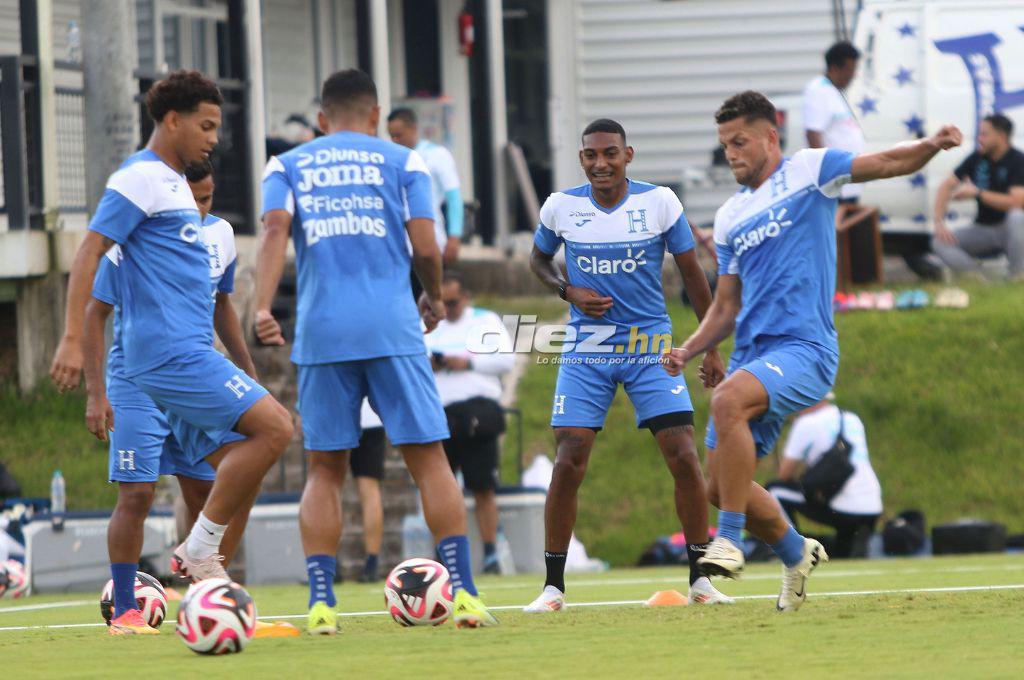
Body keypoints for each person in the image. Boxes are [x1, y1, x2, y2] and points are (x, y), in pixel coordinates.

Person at [663, 90, 961, 611]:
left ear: (770, 137)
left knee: (728, 401)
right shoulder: (730, 216)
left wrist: (931, 145)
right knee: (718, 485)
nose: (730, 153)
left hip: (806, 348)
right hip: (753, 356)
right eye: (725, 144)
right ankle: (795, 552)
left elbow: (887, 162)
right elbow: (726, 306)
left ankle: (728, 541)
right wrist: (689, 350)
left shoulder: (810, 170)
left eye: (740, 142)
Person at [256, 68, 496, 634]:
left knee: (324, 470)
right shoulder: (405, 161)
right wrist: (431, 295)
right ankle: (464, 594)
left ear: (321, 118)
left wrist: (262, 306)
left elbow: (273, 231)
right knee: (429, 460)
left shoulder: (285, 164)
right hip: (392, 330)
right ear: (375, 115)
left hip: (323, 332)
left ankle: (321, 604)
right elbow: (426, 245)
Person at [50, 69, 294, 597]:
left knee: (245, 458)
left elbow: (216, 301)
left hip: (186, 353)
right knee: (275, 429)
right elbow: (91, 250)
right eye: (206, 126)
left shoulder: (176, 187)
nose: (214, 139)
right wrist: (72, 339)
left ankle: (208, 575)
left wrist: (243, 366)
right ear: (173, 120)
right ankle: (198, 553)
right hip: (168, 356)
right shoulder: (140, 177)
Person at [524, 118, 731, 614]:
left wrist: (709, 347)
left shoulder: (660, 202)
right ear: (582, 159)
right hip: (588, 348)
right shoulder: (560, 206)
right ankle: (553, 588)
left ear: (628, 155)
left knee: (684, 455)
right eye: (591, 155)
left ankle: (701, 580)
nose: (601, 163)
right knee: (569, 459)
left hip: (649, 346)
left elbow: (693, 275)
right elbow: (537, 261)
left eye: (610, 153)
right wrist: (567, 290)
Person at [83, 161, 269, 634]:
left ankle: (206, 599)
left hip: (192, 378)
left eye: (206, 199)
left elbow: (222, 305)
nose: (198, 208)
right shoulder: (135, 239)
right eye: (190, 199)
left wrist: (247, 371)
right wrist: (96, 393)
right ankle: (125, 611)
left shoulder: (221, 235)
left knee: (211, 490)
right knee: (137, 494)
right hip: (136, 379)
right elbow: (95, 312)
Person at [426, 272, 515, 575]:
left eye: (452, 302)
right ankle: (441, 556)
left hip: (478, 412)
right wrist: (432, 363)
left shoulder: (485, 320)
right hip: (440, 413)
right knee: (439, 489)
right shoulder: (428, 325)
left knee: (483, 487)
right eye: (442, 302)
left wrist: (468, 362)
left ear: (465, 298)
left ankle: (490, 553)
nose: (447, 309)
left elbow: (506, 359)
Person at [766, 395, 882, 558]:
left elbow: (784, 475)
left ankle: (793, 551)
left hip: (841, 509)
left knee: (774, 491)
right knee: (845, 555)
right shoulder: (851, 418)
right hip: (872, 507)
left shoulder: (805, 423)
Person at [932, 113, 1024, 278]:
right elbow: (946, 186)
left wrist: (977, 193)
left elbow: (1016, 203)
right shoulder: (977, 158)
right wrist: (939, 221)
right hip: (983, 228)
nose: (979, 139)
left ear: (1001, 136)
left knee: (1017, 217)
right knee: (939, 241)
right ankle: (978, 278)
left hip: (1010, 230)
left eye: (984, 134)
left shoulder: (1018, 160)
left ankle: (1018, 276)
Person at [387, 107, 464, 266]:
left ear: (413, 128)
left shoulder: (438, 155)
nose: (395, 140)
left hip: (432, 240)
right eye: (391, 136)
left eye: (399, 135)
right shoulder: (391, 158)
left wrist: (454, 237)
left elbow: (454, 197)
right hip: (399, 245)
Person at [803, 41, 865, 205]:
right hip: (836, 185)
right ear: (835, 68)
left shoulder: (834, 90)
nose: (853, 75)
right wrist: (825, 176)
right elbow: (813, 133)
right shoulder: (818, 90)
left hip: (848, 183)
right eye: (850, 70)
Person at [350, 400, 386, 583]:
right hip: (371, 417)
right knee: (370, 491)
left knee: (328, 485)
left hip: (335, 416)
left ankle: (327, 566)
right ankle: (371, 563)